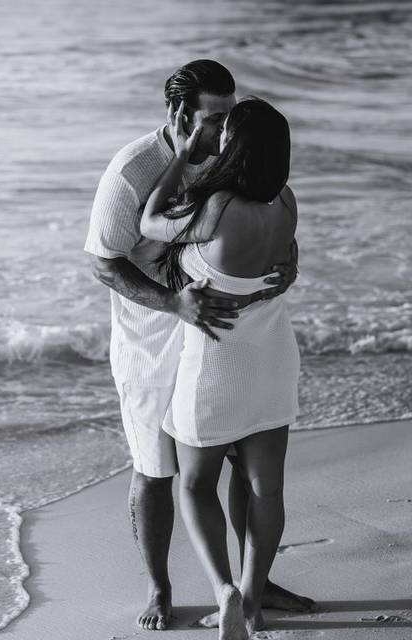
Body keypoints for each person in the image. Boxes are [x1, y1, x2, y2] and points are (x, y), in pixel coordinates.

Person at [84, 60, 314, 631]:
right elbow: (103, 262)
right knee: (156, 466)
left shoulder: (231, 163)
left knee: (236, 458)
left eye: (230, 118)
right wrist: (173, 304)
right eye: (215, 120)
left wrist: (288, 263)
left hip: (215, 337)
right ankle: (159, 587)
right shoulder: (132, 171)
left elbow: (270, 229)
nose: (224, 130)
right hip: (152, 334)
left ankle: (245, 585)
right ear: (181, 116)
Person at [139, 95, 302, 638]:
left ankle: (224, 590)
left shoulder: (216, 209)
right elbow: (288, 251)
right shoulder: (285, 200)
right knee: (266, 488)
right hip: (273, 357)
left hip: (215, 363)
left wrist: (181, 157)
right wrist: (293, 263)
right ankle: (253, 602)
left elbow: (151, 221)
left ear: (232, 145)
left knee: (195, 484)